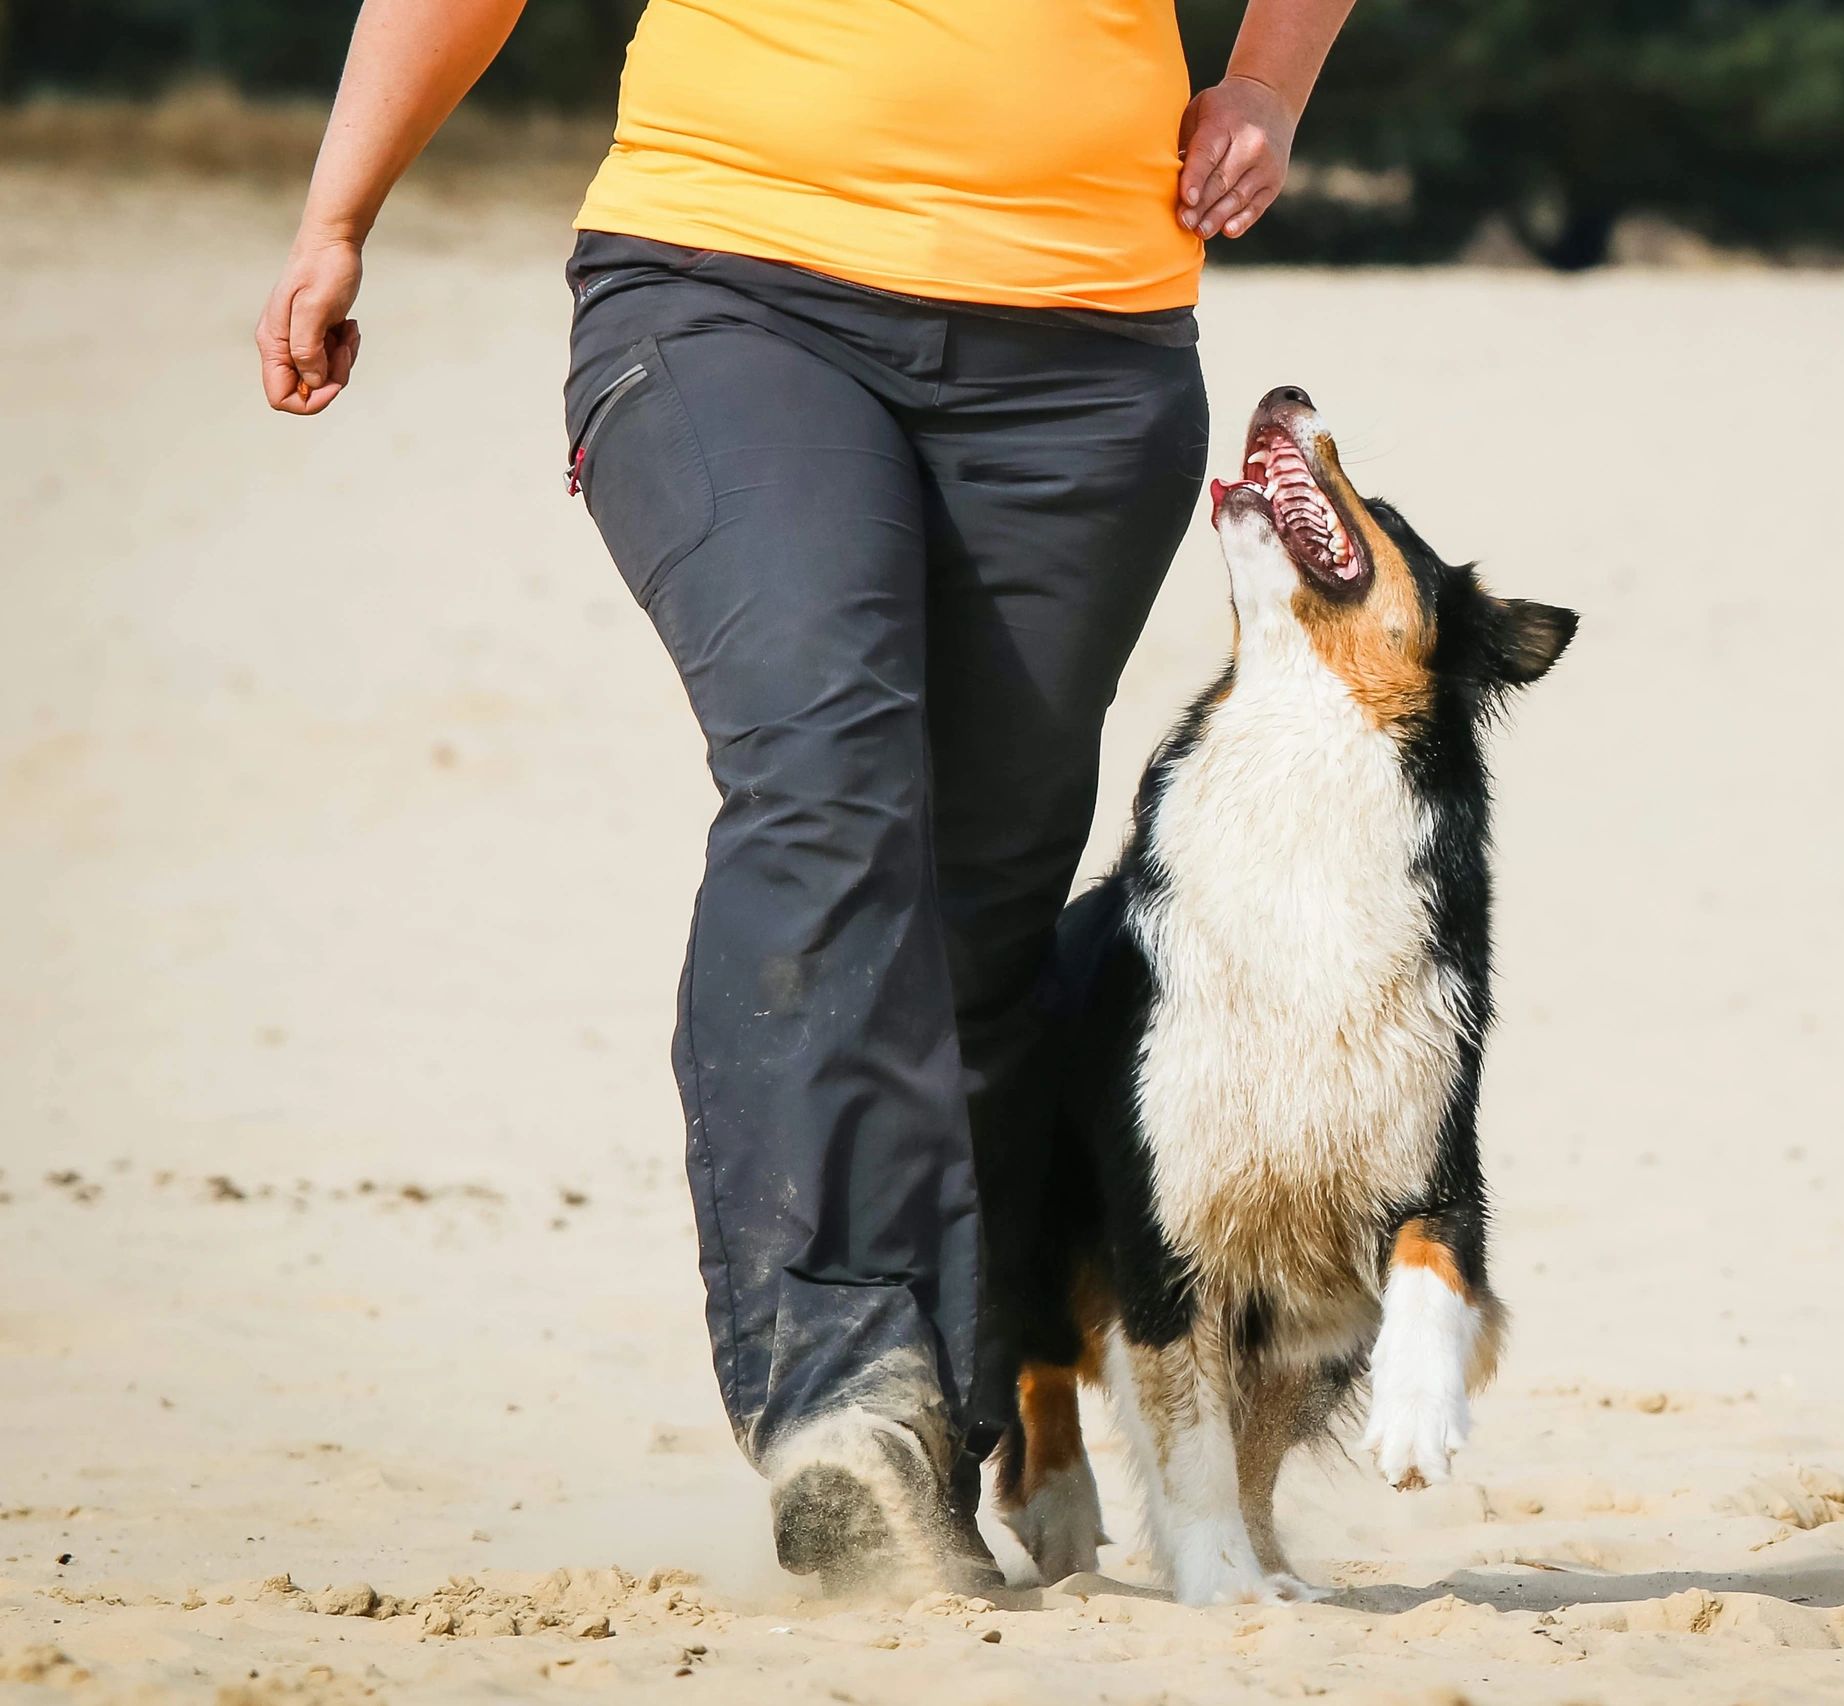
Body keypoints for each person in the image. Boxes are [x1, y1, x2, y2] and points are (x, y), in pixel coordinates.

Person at [257, 0, 1355, 1586]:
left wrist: (1263, 78)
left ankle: (937, 1443)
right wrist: (336, 213)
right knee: (828, 778)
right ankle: (841, 1391)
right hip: (729, 296)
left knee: (988, 889)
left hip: (1085, 351)